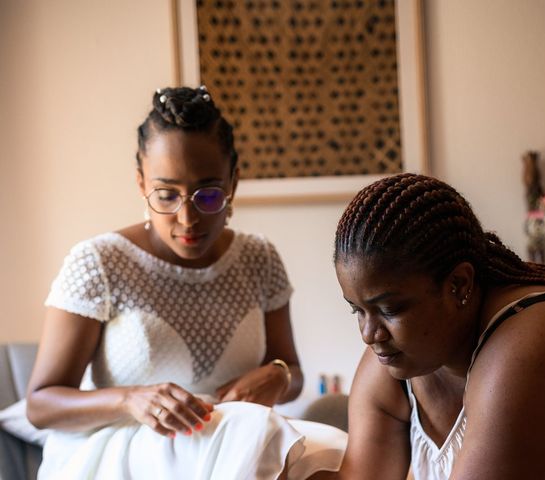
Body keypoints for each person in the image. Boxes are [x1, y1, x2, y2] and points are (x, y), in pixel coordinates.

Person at [26, 86, 346, 479]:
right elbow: (40, 405)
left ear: (234, 183)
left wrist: (278, 375)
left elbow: (292, 373)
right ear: (141, 183)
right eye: (166, 194)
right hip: (125, 449)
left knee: (337, 451)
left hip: (233, 439)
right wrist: (131, 400)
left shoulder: (259, 259)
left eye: (207, 195)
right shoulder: (98, 263)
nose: (187, 217)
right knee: (262, 433)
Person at [312, 173, 545, 479]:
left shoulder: (534, 339)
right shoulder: (397, 362)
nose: (370, 335)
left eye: (390, 309)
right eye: (357, 310)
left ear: (458, 284)